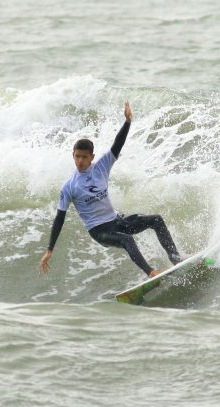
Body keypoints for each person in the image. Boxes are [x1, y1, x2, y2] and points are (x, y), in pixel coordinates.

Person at [39, 100, 182, 278]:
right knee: (126, 239)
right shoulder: (69, 186)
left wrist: (128, 122)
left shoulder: (101, 167)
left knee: (156, 220)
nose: (80, 161)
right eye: (77, 157)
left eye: (84, 157)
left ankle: (175, 258)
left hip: (115, 220)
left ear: (92, 157)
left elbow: (117, 144)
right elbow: (59, 218)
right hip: (99, 231)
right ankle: (151, 272)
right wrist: (50, 249)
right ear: (73, 156)